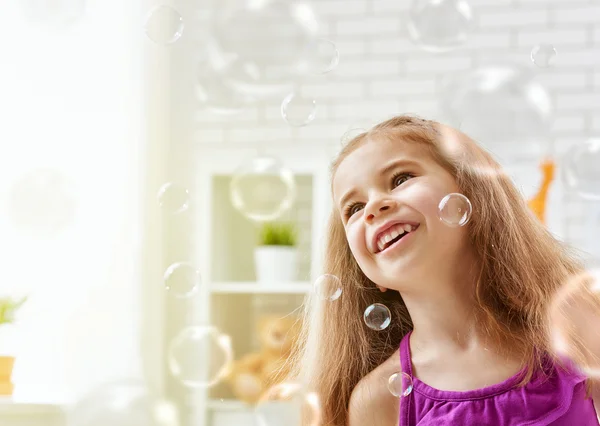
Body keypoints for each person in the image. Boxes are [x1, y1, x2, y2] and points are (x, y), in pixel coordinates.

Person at [285, 115, 600, 425]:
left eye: (401, 179)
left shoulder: (577, 332)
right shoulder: (379, 400)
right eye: (353, 208)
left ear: (472, 194)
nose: (373, 207)